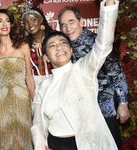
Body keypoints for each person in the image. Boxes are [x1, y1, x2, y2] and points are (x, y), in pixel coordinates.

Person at [31, 0, 119, 149]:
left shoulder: (83, 69)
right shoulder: (44, 86)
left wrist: (109, 5)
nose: (58, 46)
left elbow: (103, 44)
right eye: (52, 45)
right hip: (54, 145)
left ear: (71, 50)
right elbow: (38, 124)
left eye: (63, 42)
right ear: (46, 57)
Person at [58, 2, 130, 149]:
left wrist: (123, 104)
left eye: (71, 22)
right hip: (83, 113)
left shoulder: (97, 43)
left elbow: (117, 73)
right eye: (63, 24)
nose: (67, 28)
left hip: (105, 109)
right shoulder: (65, 48)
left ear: (81, 22)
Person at [0, 9, 35, 150]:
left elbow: (29, 78)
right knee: (6, 141)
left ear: (11, 24)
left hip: (23, 100)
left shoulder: (23, 46)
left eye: (7, 20)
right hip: (3, 102)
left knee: (26, 139)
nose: (4, 24)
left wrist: (35, 102)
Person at [22, 7, 54, 86]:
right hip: (36, 87)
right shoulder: (25, 44)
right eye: (26, 22)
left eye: (33, 19)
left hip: (56, 84)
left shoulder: (54, 38)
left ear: (41, 20)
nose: (30, 25)